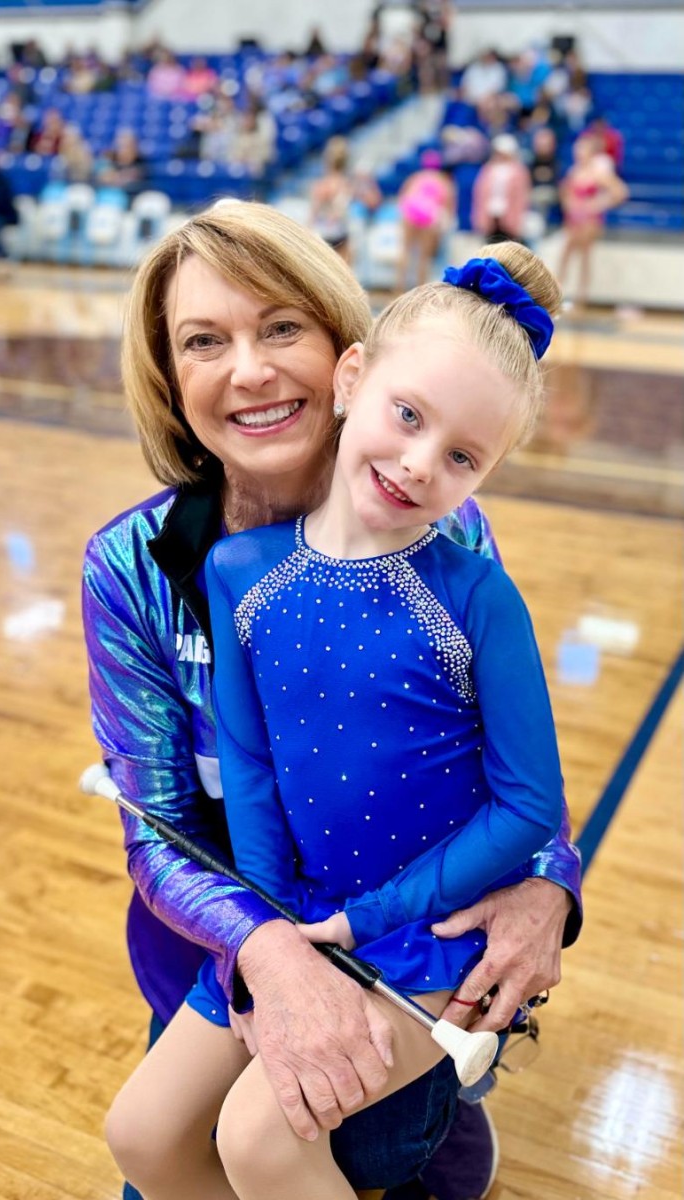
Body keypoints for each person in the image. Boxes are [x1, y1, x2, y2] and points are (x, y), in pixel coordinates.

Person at [82, 201, 582, 1200]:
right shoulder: (141, 567)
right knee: (154, 1141)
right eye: (204, 341)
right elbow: (161, 828)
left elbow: (511, 774)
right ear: (169, 373)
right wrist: (267, 947)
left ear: (340, 351)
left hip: (405, 930)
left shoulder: (448, 539)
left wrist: (549, 885)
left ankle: (432, 1117)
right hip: (249, 934)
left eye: (280, 327)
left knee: (322, 1148)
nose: (249, 370)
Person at [558, 135, 629, 307]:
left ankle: (581, 297)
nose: (578, 153)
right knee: (566, 253)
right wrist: (569, 204)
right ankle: (556, 292)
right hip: (574, 218)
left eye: (582, 149)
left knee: (584, 256)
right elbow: (565, 191)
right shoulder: (575, 171)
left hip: (589, 220)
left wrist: (597, 204)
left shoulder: (598, 172)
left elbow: (620, 192)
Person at [396, 149, 456, 291]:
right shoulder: (443, 181)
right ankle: (420, 290)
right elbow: (448, 206)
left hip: (410, 213)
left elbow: (403, 198)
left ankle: (398, 289)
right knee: (424, 256)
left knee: (405, 251)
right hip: (428, 217)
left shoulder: (415, 178)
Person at [471, 134, 532, 244]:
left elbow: (521, 196)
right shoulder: (488, 169)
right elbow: (479, 193)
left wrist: (518, 219)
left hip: (509, 216)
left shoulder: (519, 170)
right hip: (490, 214)